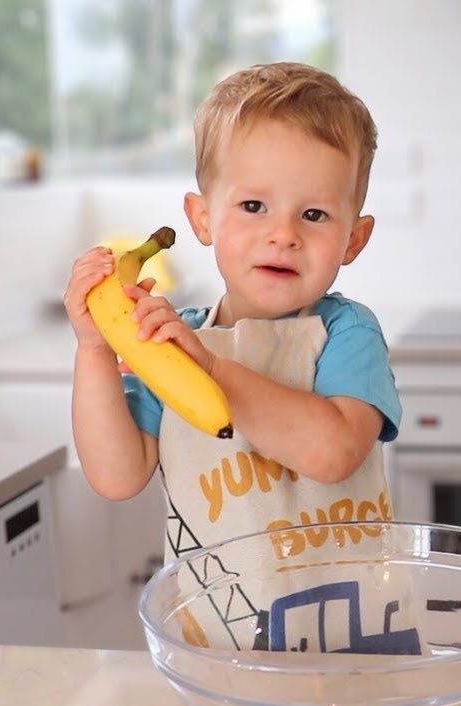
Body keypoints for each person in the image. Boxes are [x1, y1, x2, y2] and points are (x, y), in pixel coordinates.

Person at [63, 62, 418, 653]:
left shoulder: (346, 332)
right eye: (254, 206)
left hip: (353, 645)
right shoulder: (171, 346)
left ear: (353, 239)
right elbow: (117, 475)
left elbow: (332, 453)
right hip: (218, 647)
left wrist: (212, 368)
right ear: (203, 218)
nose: (283, 234)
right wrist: (95, 349)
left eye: (314, 215)